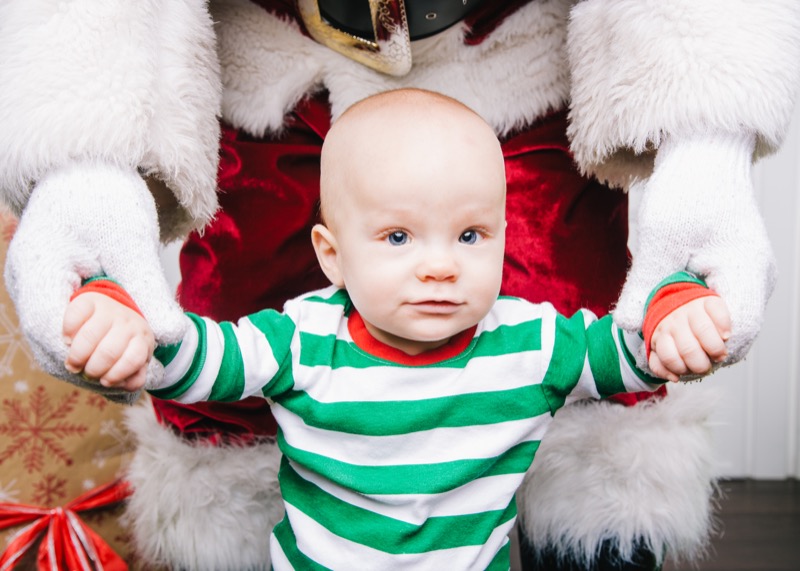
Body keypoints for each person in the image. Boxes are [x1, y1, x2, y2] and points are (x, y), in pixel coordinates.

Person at [4, 2, 798, 569]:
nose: (440, 264)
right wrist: (131, 329)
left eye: (472, 236)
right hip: (271, 64)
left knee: (604, 451)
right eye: (395, 239)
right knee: (220, 443)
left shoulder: (530, 338)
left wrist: (677, 313)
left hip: (515, 55)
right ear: (331, 255)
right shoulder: (299, 337)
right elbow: (199, 361)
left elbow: (626, 353)